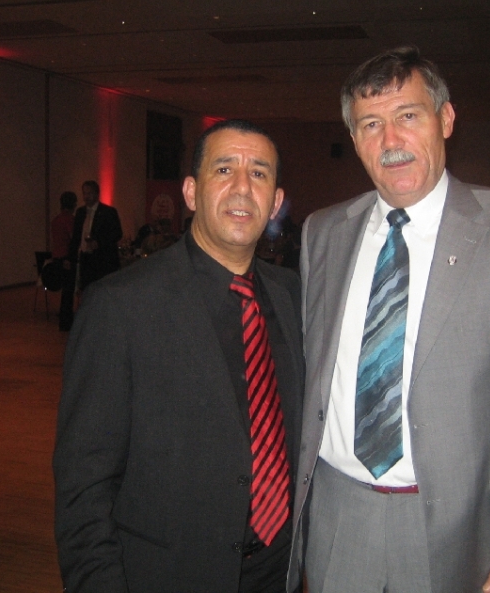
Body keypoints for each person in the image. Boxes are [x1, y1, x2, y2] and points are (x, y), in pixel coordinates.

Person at [289, 46, 490, 593]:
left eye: (408, 115)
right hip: (337, 518)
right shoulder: (323, 232)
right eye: (371, 124)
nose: (391, 140)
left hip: (465, 530)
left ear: (445, 119)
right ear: (354, 138)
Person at [54, 120, 304, 593]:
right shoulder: (120, 305)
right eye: (224, 169)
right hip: (166, 574)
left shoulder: (293, 295)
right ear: (190, 192)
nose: (242, 187)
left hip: (277, 572)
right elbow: (83, 481)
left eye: (259, 173)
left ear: (275, 202)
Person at [60, 180, 122, 330]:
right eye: (84, 193)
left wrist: (99, 243)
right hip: (86, 258)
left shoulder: (108, 212)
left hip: (102, 259)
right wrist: (70, 257)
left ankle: (103, 321)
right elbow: (76, 238)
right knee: (86, 290)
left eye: (89, 193)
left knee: (101, 291)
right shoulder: (81, 212)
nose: (86, 197)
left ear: (97, 194)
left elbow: (117, 233)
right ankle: (88, 322)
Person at [51, 191, 77, 331]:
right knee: (68, 291)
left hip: (57, 257)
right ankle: (67, 321)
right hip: (67, 257)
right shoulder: (69, 219)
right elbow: (73, 238)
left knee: (65, 291)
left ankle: (64, 319)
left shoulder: (56, 219)